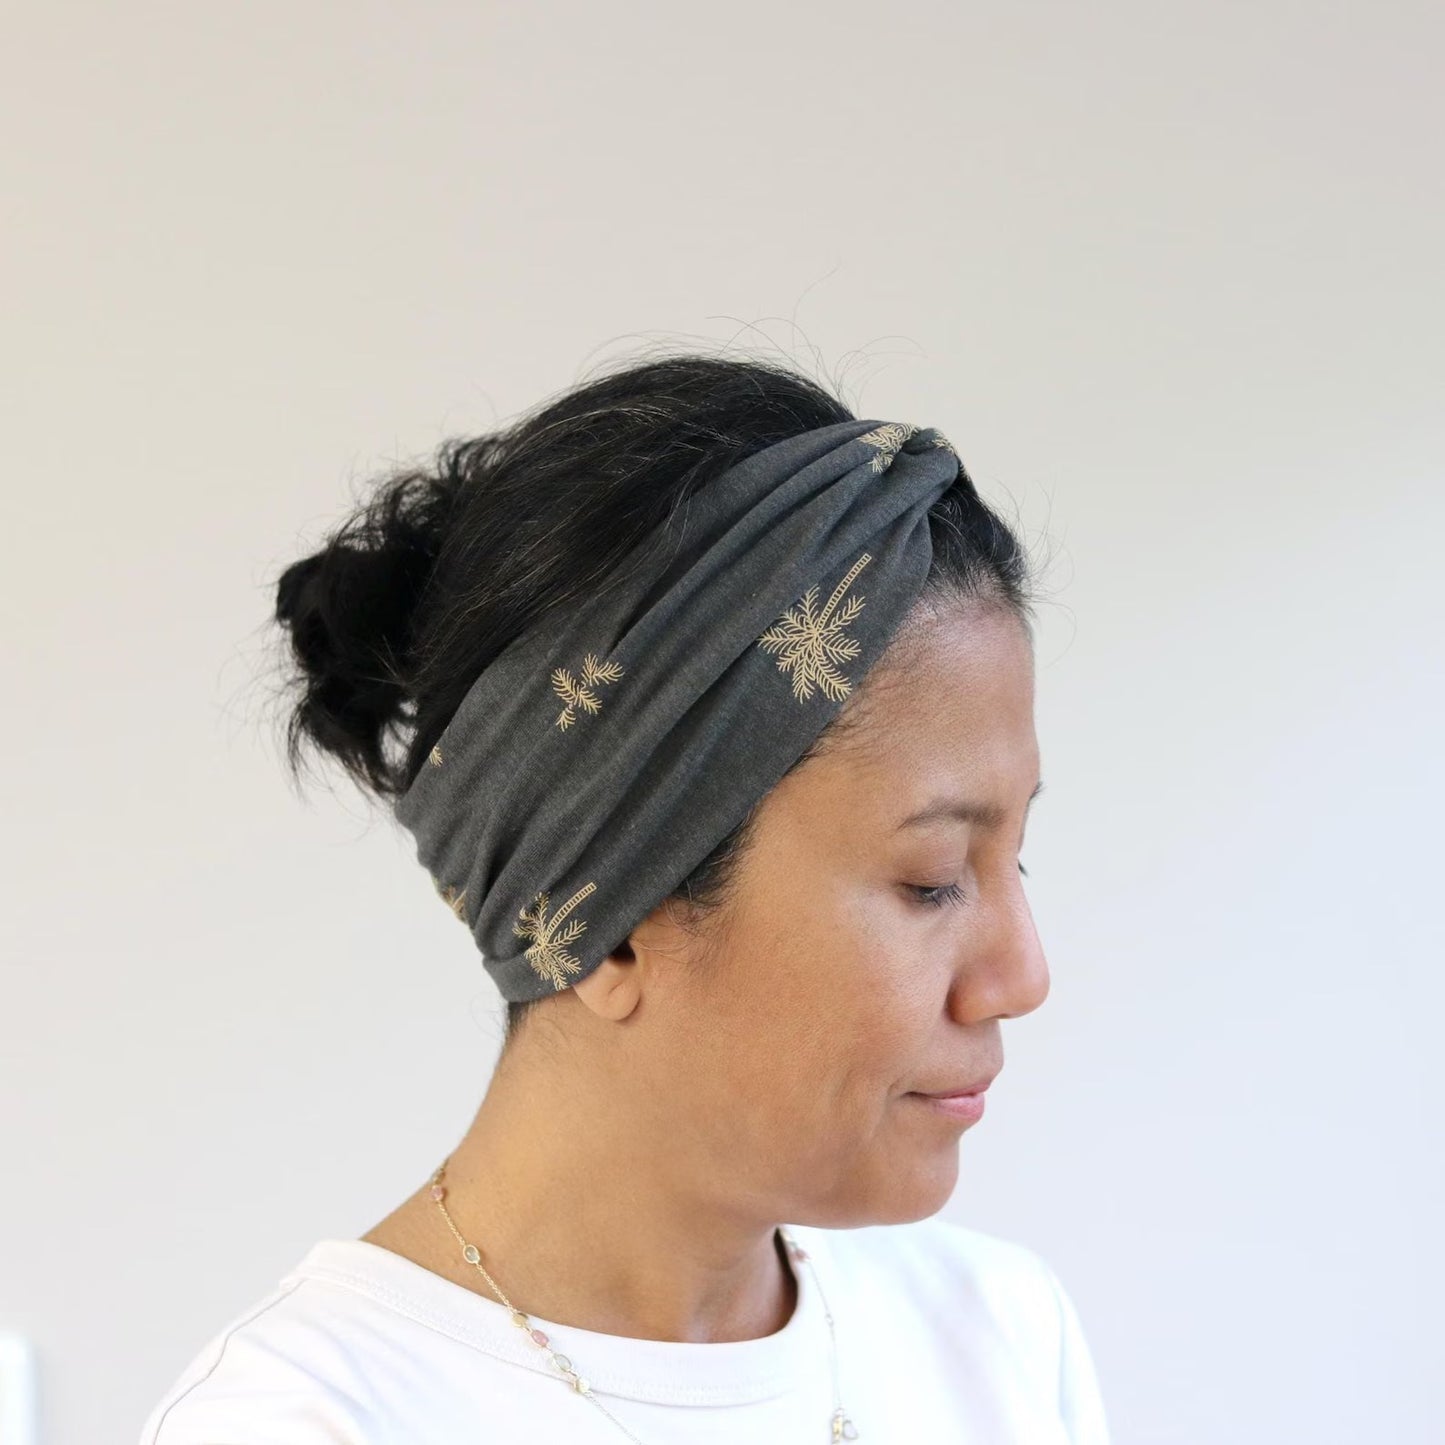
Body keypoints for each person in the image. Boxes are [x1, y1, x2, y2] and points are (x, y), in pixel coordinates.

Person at [139, 351, 1111, 1443]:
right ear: (606, 921)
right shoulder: (313, 1420)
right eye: (932, 881)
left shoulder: (996, 1339)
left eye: (1011, 861)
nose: (1020, 977)